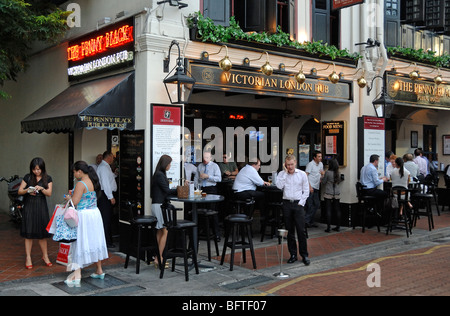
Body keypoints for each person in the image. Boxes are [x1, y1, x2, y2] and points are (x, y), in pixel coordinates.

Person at [64, 161, 108, 286]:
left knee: (80, 242)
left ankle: (76, 274)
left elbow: (75, 201)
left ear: (79, 171)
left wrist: (69, 198)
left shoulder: (80, 184)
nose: (74, 174)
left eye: (74, 172)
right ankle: (99, 270)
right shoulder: (93, 181)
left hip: (83, 215)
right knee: (95, 241)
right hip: (94, 214)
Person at [18, 157, 53, 269]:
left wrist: (41, 188)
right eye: (34, 169)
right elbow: (20, 191)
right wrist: (28, 190)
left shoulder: (47, 178)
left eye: (39, 169)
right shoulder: (27, 177)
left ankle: (45, 256)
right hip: (29, 206)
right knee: (28, 233)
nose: (37, 171)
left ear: (42, 168)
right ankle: (28, 257)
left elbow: (49, 193)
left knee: (42, 233)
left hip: (41, 206)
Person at [276, 155, 310, 266]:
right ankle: (293, 254)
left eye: (291, 164)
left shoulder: (302, 174)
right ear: (285, 164)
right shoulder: (282, 174)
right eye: (287, 165)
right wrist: (285, 173)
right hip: (286, 204)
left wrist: (301, 203)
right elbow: (279, 186)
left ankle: (304, 255)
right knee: (290, 231)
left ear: (295, 163)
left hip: (298, 204)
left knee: (301, 231)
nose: (290, 167)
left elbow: (306, 191)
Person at [151, 155, 177, 265]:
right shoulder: (160, 175)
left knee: (160, 230)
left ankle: (157, 256)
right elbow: (166, 190)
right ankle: (159, 258)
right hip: (159, 205)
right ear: (165, 164)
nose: (170, 165)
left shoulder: (158, 174)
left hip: (156, 204)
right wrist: (180, 189)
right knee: (165, 231)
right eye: (169, 163)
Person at [96, 151, 117, 248]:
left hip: (106, 194)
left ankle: (108, 240)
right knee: (106, 218)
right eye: (112, 157)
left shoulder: (106, 167)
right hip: (105, 195)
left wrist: (115, 174)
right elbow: (105, 183)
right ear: (109, 157)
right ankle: (106, 241)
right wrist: (110, 196)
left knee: (108, 218)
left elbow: (110, 179)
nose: (113, 159)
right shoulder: (103, 167)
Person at [321, 158, 342, 233]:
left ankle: (328, 227)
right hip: (336, 192)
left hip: (328, 192)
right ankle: (338, 226)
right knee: (337, 210)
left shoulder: (327, 172)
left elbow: (323, 182)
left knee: (328, 210)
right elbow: (339, 181)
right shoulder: (338, 173)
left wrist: (322, 176)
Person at [305, 151, 324, 228]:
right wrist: (309, 187)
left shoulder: (321, 164)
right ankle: (306, 222)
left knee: (316, 204)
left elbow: (321, 174)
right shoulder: (310, 164)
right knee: (309, 205)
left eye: (321, 156)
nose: (320, 158)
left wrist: (322, 176)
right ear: (314, 157)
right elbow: (305, 176)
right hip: (310, 187)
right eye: (319, 156)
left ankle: (309, 221)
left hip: (316, 187)